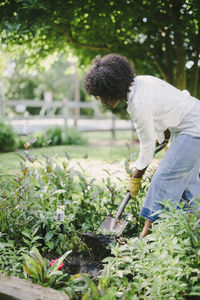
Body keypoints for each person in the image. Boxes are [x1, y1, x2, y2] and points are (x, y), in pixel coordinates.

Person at [83, 53, 200, 238]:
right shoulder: (141, 83)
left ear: (112, 87)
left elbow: (146, 149)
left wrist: (135, 179)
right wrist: (163, 135)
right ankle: (193, 232)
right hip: (188, 124)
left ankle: (144, 241)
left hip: (193, 129)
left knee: (163, 179)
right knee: (188, 186)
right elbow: (168, 109)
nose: (101, 101)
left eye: (102, 95)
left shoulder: (139, 102)